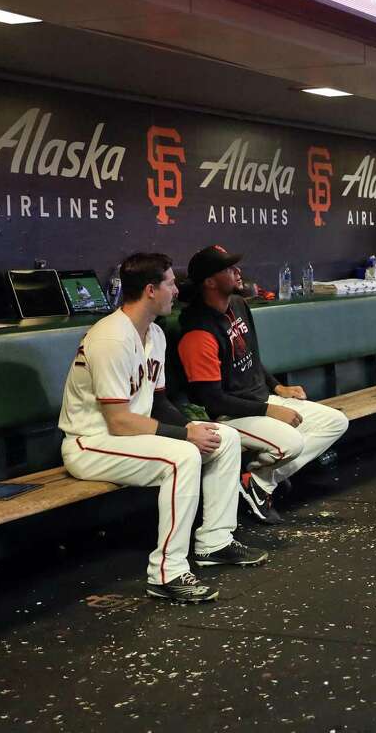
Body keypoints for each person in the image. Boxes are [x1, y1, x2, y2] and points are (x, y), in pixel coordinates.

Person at [59, 253, 266, 604]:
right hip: (91, 443)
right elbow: (119, 421)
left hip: (129, 437)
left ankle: (215, 542)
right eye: (170, 283)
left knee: (224, 437)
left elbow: (157, 403)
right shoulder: (111, 338)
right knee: (183, 456)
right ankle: (166, 573)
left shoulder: (154, 332)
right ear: (151, 290)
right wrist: (186, 436)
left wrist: (194, 427)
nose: (176, 289)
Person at [177, 246, 349, 524]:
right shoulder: (198, 333)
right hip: (227, 417)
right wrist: (268, 411)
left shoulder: (238, 304)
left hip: (261, 401)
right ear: (209, 282)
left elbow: (251, 356)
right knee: (291, 443)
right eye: (228, 269)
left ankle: (259, 482)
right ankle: (259, 483)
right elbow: (212, 400)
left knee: (336, 422)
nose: (237, 272)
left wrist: (277, 387)